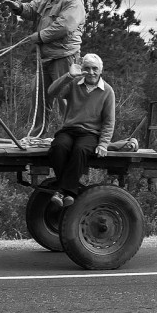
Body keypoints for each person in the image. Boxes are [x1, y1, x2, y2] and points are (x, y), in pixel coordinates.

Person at [6, 0, 86, 130]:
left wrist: (40, 36)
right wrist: (19, 7)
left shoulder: (73, 0)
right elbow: (33, 8)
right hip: (46, 57)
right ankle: (38, 135)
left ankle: (74, 133)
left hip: (65, 56)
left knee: (65, 97)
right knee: (40, 97)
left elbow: (65, 26)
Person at [44, 53, 115, 207]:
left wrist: (103, 144)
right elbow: (52, 92)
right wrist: (69, 75)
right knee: (58, 147)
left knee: (80, 150)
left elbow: (109, 121)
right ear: (82, 69)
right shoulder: (74, 83)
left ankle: (61, 191)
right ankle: (70, 191)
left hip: (90, 133)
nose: (91, 72)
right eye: (87, 68)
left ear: (100, 70)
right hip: (70, 129)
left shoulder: (107, 91)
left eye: (95, 69)